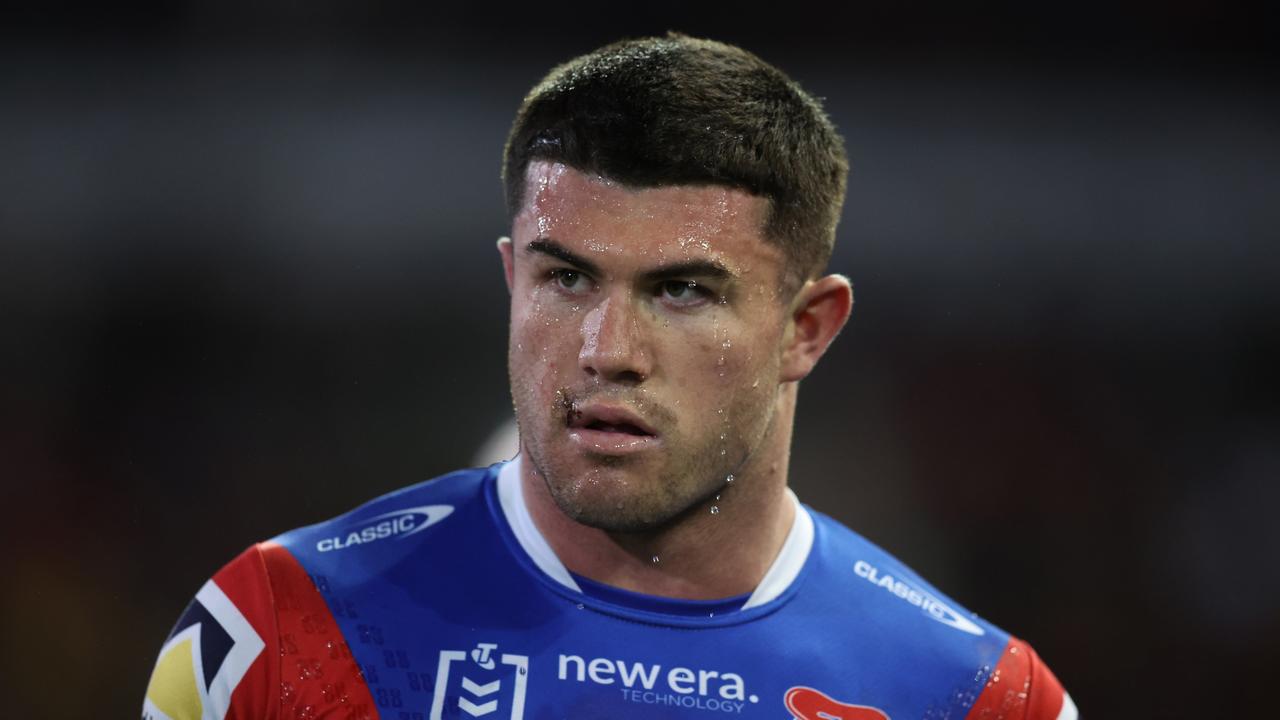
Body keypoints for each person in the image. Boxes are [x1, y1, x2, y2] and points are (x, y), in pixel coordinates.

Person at [143, 34, 1077, 720]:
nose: (606, 348)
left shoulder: (979, 699)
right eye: (566, 278)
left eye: (681, 291)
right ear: (512, 280)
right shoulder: (282, 631)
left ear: (806, 328)